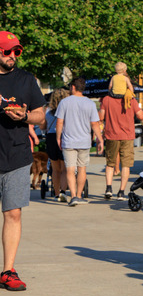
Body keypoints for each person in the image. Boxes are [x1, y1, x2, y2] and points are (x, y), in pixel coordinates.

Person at [0, 30, 46, 291]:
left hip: (17, 155)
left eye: (16, 51)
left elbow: (40, 115)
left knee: (13, 213)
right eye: (7, 51)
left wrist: (24, 116)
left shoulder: (26, 80)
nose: (12, 56)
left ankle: (8, 271)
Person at [56, 77, 104, 206]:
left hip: (68, 141)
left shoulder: (64, 102)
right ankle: (79, 195)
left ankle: (72, 196)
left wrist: (58, 137)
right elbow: (95, 124)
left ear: (73, 87)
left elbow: (60, 122)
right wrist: (100, 139)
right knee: (82, 169)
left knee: (70, 170)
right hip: (84, 141)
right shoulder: (90, 104)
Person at [100, 87, 143, 201]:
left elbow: (101, 117)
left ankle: (108, 188)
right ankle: (121, 192)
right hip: (127, 135)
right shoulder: (131, 100)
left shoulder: (106, 99)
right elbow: (141, 116)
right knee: (126, 164)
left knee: (110, 163)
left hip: (111, 135)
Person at [44, 88, 70, 202]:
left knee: (55, 169)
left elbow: (43, 127)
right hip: (65, 137)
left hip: (51, 138)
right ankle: (63, 192)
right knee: (65, 168)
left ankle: (56, 193)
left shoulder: (48, 112)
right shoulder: (68, 111)